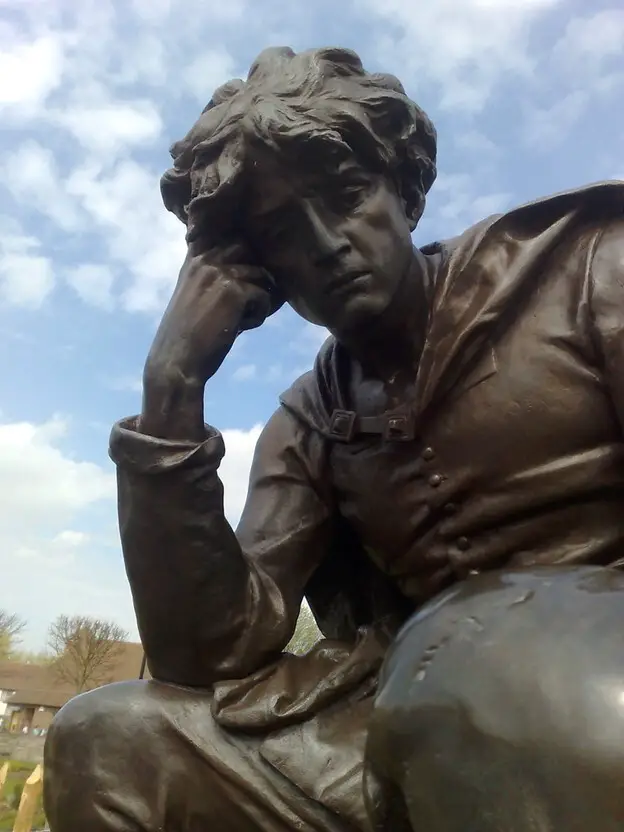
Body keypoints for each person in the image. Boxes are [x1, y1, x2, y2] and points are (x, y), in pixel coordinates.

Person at [43, 46, 624, 832]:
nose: (324, 243)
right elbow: (209, 657)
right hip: (408, 728)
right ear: (259, 269)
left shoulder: (589, 265)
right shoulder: (308, 422)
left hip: (599, 696)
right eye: (283, 231)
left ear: (405, 191)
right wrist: (171, 390)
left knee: (485, 651)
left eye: (347, 194)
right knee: (108, 737)